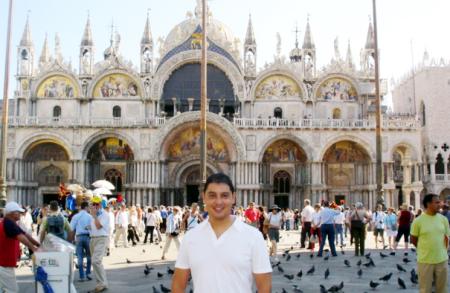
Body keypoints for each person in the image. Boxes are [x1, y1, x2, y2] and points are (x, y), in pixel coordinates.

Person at [172, 173, 272, 293]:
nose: (218, 202)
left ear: (233, 198)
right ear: (204, 197)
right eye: (212, 195)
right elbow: (178, 284)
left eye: (224, 196)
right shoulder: (191, 237)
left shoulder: (254, 237)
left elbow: (265, 287)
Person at [411, 194, 450, 293]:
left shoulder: (443, 220)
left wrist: (443, 252)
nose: (440, 204)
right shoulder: (418, 221)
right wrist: (425, 249)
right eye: (436, 202)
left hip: (442, 260)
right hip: (425, 261)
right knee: (425, 290)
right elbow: (414, 239)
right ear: (428, 204)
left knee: (443, 290)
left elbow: (447, 238)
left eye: (439, 202)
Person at [0, 202, 40, 293]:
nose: (21, 214)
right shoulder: (8, 224)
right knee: (12, 290)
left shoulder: (11, 223)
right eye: (18, 212)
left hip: (4, 264)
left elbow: (26, 235)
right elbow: (21, 238)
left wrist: (38, 245)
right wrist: (33, 249)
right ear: (12, 213)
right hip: (4, 265)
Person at [89, 196, 110, 293]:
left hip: (101, 238)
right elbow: (92, 227)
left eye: (97, 204)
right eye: (93, 204)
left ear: (100, 204)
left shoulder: (104, 214)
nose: (95, 206)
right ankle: (102, 283)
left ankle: (102, 283)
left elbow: (98, 226)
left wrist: (94, 216)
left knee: (95, 261)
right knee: (97, 262)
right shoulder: (93, 214)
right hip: (93, 239)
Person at [69, 201, 93, 282]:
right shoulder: (90, 216)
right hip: (87, 237)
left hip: (79, 237)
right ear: (86, 207)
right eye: (88, 207)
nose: (89, 208)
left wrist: (71, 239)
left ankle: (81, 276)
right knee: (89, 256)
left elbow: (71, 228)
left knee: (80, 256)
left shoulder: (76, 216)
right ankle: (88, 273)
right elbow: (92, 228)